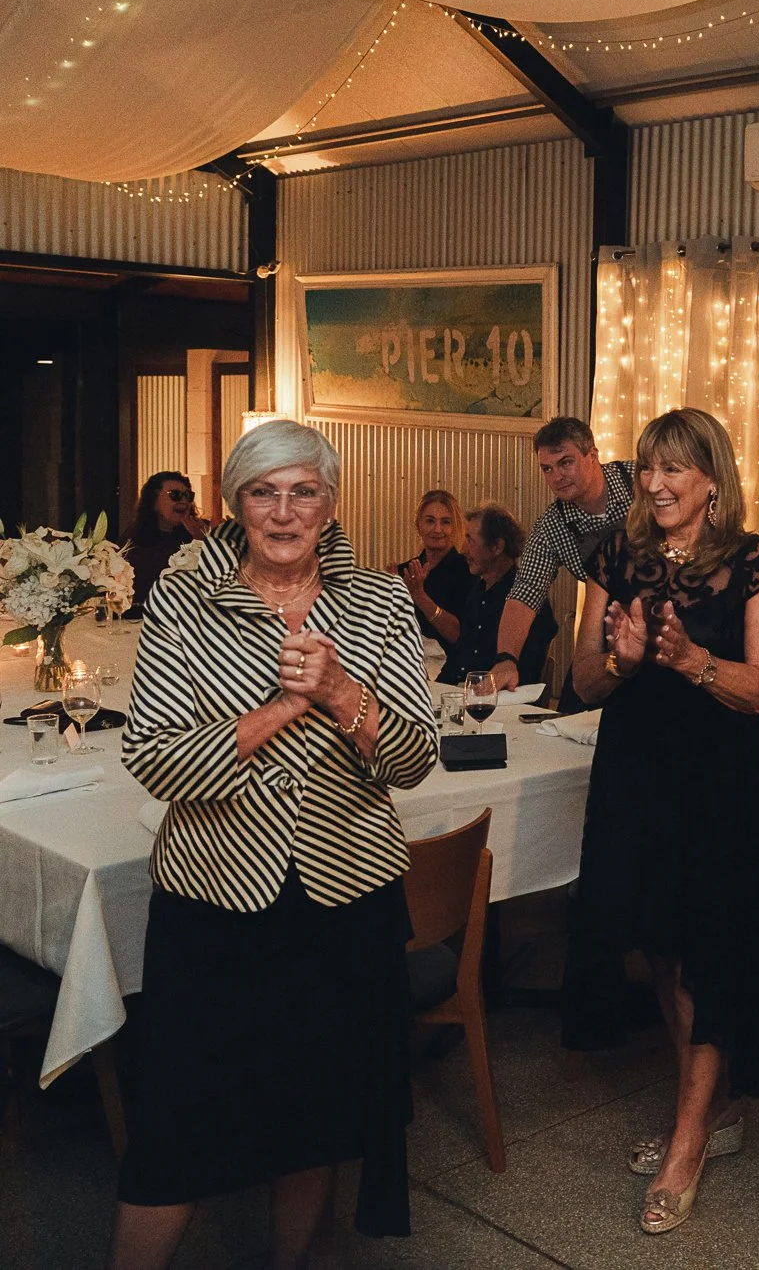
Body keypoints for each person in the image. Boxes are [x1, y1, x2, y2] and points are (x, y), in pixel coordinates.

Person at [112, 420, 437, 1269]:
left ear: (331, 506)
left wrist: (339, 690)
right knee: (176, 1125)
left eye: (304, 492)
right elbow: (152, 753)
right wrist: (282, 709)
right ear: (236, 504)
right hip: (213, 900)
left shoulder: (376, 600)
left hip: (343, 901)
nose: (284, 511)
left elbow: (413, 757)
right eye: (264, 491)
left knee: (314, 1118)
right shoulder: (185, 599)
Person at [559, 408, 759, 1236]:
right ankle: (706, 1105)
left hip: (724, 785)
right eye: (649, 467)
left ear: (711, 483)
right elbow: (583, 681)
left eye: (675, 470)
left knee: (711, 952)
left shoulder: (756, 561)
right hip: (638, 775)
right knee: (658, 945)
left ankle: (688, 1138)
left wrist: (692, 661)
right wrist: (620, 660)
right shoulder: (613, 555)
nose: (655, 484)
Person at [492, 416, 634, 709]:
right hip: (609, 634)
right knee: (569, 714)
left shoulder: (639, 481)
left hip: (670, 624)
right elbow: (524, 594)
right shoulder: (552, 526)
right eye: (547, 468)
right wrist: (506, 659)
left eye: (566, 462)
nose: (557, 476)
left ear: (591, 455)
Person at [436, 504, 557, 688]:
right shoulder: (476, 593)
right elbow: (459, 659)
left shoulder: (526, 601)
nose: (462, 550)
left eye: (470, 540)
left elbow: (526, 673)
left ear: (497, 546)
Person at [122, 470, 209, 618]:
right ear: (154, 502)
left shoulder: (203, 532)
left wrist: (201, 541)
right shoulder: (134, 538)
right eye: (175, 495)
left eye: (188, 496)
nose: (183, 501)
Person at [390, 489, 474, 642]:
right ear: (418, 525)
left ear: (454, 527)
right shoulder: (404, 572)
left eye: (445, 522)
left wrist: (419, 595)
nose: (437, 529)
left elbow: (459, 635)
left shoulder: (469, 571)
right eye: (430, 521)